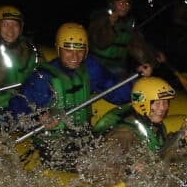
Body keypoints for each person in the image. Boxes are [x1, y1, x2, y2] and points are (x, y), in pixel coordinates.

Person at [8, 22, 133, 166]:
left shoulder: (90, 69)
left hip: (83, 138)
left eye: (80, 50)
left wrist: (138, 89)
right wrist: (37, 120)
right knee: (97, 165)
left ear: (86, 51)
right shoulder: (43, 78)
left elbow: (117, 92)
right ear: (58, 49)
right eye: (68, 50)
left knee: (118, 154)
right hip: (52, 143)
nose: (75, 56)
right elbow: (15, 110)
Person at [93, 76, 187, 182]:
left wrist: (180, 135)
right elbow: (100, 168)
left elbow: (160, 154)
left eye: (166, 102)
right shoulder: (125, 133)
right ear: (142, 103)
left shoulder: (154, 125)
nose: (163, 108)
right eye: (157, 103)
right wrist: (129, 170)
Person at [88, 0, 166, 79]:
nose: (125, 6)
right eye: (120, 3)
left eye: (127, 4)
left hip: (117, 68)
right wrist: (110, 25)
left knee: (128, 86)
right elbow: (101, 43)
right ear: (112, 3)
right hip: (96, 66)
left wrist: (154, 55)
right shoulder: (99, 18)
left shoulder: (129, 23)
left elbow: (138, 44)